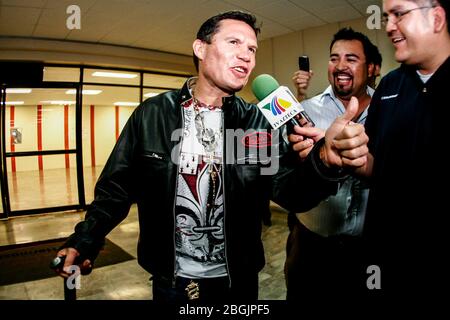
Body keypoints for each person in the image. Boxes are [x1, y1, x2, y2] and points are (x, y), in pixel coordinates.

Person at [53, 10, 369, 302]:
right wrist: (85, 240)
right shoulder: (152, 115)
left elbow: (291, 192)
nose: (246, 54)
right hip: (171, 282)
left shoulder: (255, 122)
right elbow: (115, 191)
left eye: (252, 49)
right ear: (200, 49)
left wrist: (324, 162)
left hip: (237, 283)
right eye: (234, 42)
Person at [292, 0, 449, 297]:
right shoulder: (392, 85)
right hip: (359, 248)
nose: (388, 25)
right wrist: (334, 150)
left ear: (437, 18)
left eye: (398, 14)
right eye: (387, 16)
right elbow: (375, 165)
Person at [285, 27, 379, 299]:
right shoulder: (307, 111)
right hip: (311, 244)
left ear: (371, 68)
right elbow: (289, 175)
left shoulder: (388, 109)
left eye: (351, 59)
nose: (340, 66)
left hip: (365, 248)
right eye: (333, 58)